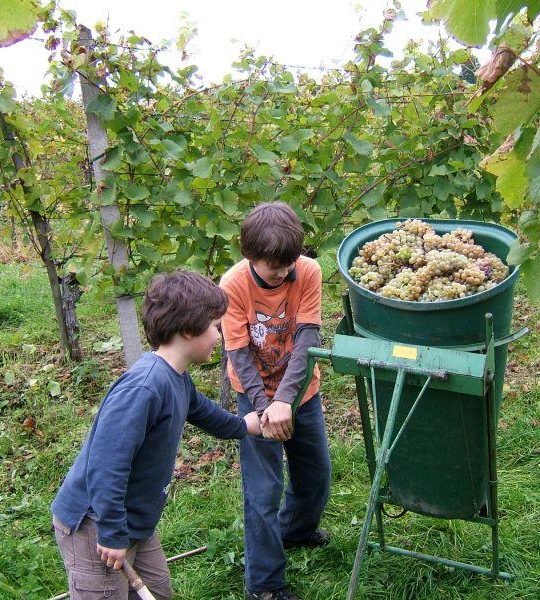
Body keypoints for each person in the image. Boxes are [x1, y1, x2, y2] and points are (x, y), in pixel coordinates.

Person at [51, 270, 261, 599]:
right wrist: (112, 532)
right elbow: (106, 464)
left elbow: (203, 411)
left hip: (135, 521)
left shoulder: (176, 376)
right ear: (189, 330)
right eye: (214, 327)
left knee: (157, 591)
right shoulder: (144, 387)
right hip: (96, 524)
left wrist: (244, 426)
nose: (218, 336)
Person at [220, 201, 332, 600]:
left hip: (302, 394)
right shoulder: (233, 285)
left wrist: (287, 399)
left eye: (289, 264)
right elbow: (238, 353)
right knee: (262, 491)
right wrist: (265, 408)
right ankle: (264, 584)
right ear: (249, 255)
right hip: (254, 398)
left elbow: (307, 338)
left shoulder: (309, 271)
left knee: (315, 475)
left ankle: (296, 531)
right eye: (274, 267)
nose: (283, 272)